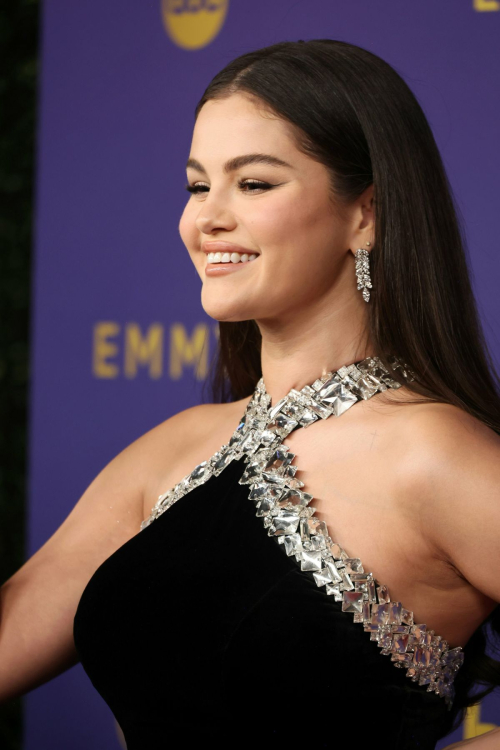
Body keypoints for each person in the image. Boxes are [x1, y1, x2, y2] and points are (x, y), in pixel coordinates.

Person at [1, 39, 499, 750]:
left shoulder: (432, 454)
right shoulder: (173, 448)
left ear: (366, 214)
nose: (206, 219)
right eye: (198, 186)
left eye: (255, 184)